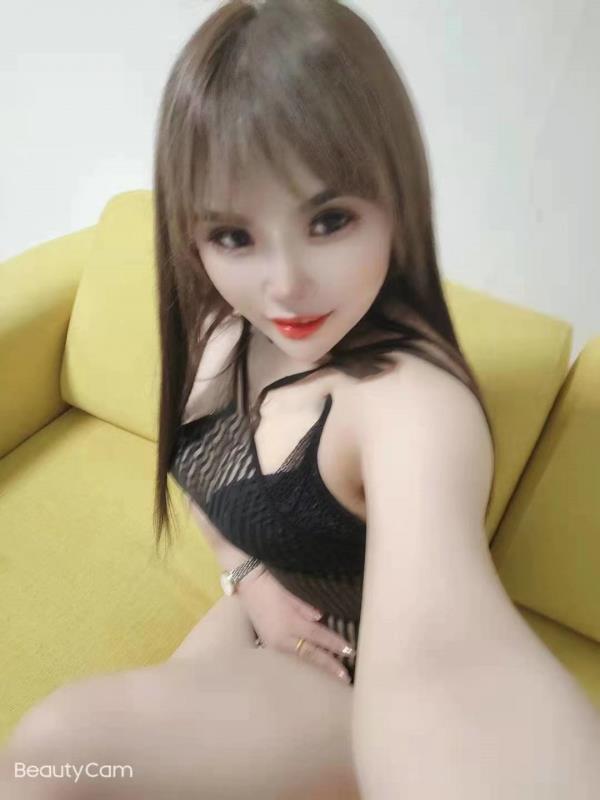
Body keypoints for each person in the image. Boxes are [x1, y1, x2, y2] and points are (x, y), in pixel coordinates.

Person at [1, 1, 498, 798]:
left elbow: (458, 664)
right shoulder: (225, 327)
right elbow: (200, 472)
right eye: (235, 236)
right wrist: (249, 579)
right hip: (268, 611)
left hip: (357, 685)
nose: (285, 285)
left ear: (398, 199)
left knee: (53, 755)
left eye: (328, 220)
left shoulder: (412, 404)